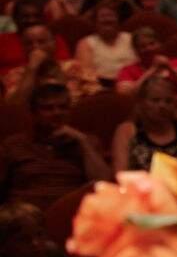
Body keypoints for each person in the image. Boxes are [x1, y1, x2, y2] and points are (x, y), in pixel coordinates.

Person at [0, 83, 112, 211]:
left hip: (70, 216)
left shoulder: (87, 142)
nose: (57, 113)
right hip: (24, 219)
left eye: (63, 107)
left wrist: (83, 143)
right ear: (33, 113)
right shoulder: (13, 145)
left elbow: (104, 184)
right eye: (48, 108)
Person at [110, 74, 177, 171]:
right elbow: (120, 173)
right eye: (155, 100)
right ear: (141, 102)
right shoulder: (127, 131)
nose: (162, 106)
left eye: (168, 101)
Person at [3, 24, 98, 106]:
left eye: (41, 42)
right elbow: (14, 108)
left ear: (54, 44)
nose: (36, 47)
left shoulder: (76, 67)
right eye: (29, 43)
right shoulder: (15, 74)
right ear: (23, 48)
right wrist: (32, 68)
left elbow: (98, 98)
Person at [114, 26, 177, 96]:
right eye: (142, 46)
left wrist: (171, 68)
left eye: (152, 43)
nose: (148, 48)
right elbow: (124, 95)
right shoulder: (128, 70)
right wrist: (153, 69)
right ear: (136, 51)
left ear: (159, 44)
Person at [74, 1, 136, 84]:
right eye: (102, 16)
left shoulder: (131, 38)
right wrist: (115, 82)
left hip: (133, 86)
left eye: (111, 16)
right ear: (95, 22)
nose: (107, 20)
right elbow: (87, 74)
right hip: (100, 87)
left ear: (118, 19)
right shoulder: (85, 43)